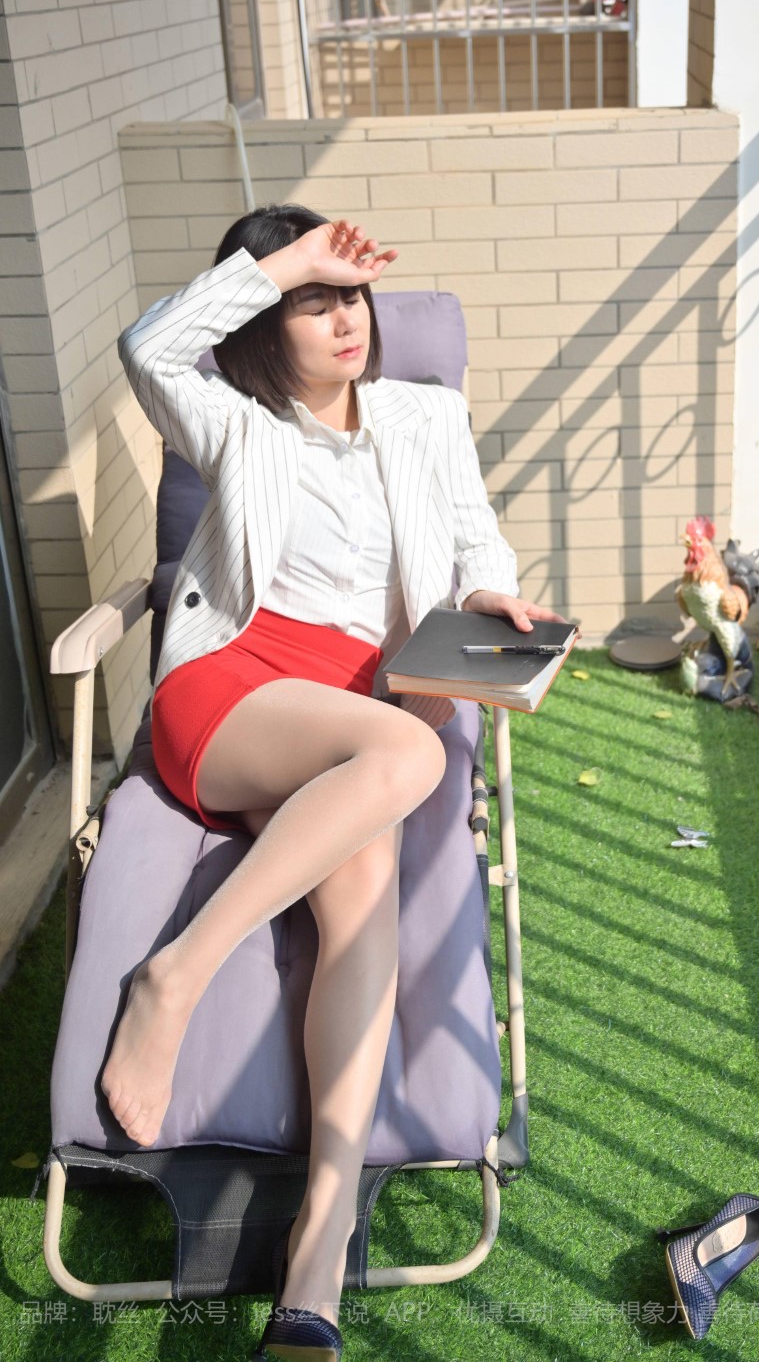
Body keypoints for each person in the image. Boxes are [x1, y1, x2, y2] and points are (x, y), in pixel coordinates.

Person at [102, 205, 564, 1359]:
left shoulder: (424, 416)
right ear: (266, 320)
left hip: (354, 706)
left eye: (350, 293)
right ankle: (175, 977)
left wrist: (491, 595)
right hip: (235, 688)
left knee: (364, 903)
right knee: (409, 757)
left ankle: (319, 1244)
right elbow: (146, 347)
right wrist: (281, 264)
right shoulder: (231, 419)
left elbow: (473, 538)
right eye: (315, 301)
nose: (347, 317)